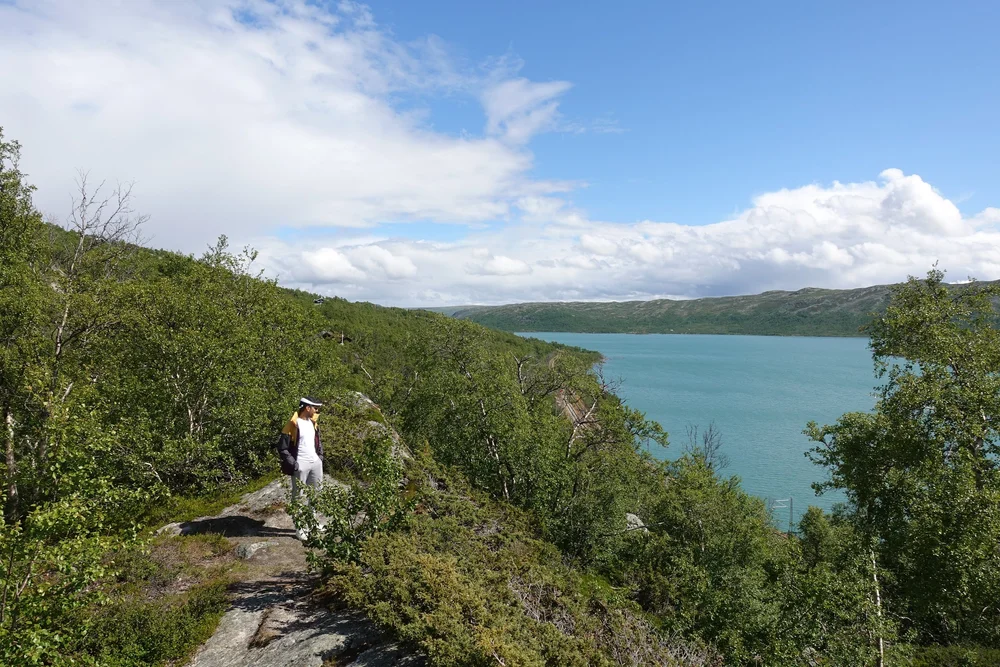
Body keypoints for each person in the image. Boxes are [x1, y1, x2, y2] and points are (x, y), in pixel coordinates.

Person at [277, 397, 324, 539]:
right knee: (298, 497)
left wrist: (320, 457)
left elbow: (318, 441)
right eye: (314, 407)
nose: (317, 410)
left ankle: (313, 523)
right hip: (301, 464)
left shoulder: (313, 422)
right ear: (307, 408)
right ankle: (300, 528)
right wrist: (294, 464)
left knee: (316, 494)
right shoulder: (293, 424)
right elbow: (282, 447)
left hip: (315, 463)